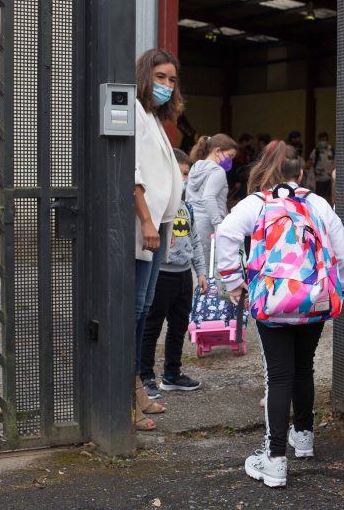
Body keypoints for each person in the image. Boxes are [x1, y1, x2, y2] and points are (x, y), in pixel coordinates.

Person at [215, 141, 344, 488]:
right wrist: (342, 290)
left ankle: (274, 459)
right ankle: (304, 438)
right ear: (300, 172)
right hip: (315, 301)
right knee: (303, 366)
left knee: (278, 376)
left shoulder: (257, 203)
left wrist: (234, 282)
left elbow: (226, 233)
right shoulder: (317, 203)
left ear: (267, 169)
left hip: (273, 302)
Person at [133, 48, 184, 431]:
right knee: (135, 311)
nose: (166, 85)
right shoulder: (133, 111)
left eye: (171, 79)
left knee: (146, 307)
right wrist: (148, 221)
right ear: (146, 75)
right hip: (143, 228)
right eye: (161, 77)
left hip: (159, 227)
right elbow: (132, 171)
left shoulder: (152, 116)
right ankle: (127, 396)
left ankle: (136, 390)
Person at [139, 148, 209, 399]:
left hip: (183, 276)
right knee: (151, 327)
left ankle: (172, 374)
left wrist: (200, 271)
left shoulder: (186, 208)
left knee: (179, 326)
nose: (184, 179)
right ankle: (145, 376)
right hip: (161, 275)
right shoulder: (156, 207)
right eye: (179, 174)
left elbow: (195, 241)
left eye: (186, 174)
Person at [186, 134, 238, 270]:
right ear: (217, 151)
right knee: (208, 272)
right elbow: (208, 197)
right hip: (207, 227)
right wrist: (218, 225)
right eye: (230, 156)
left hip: (191, 223)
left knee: (195, 270)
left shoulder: (195, 167)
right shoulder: (218, 171)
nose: (230, 161)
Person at [307, 132, 335, 205]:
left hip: (330, 179)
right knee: (320, 198)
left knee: (330, 197)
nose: (322, 142)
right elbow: (309, 163)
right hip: (319, 179)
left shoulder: (332, 150)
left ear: (327, 140)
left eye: (324, 140)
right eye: (321, 140)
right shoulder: (316, 151)